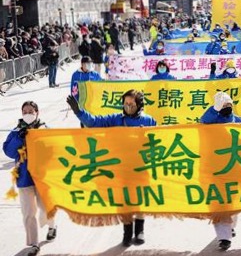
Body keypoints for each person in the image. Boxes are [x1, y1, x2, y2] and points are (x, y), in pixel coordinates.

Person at [66, 90, 156, 247]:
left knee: (140, 199)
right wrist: (78, 111)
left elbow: (159, 141)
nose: (128, 107)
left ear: (139, 105)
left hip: (141, 166)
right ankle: (127, 232)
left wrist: (148, 136)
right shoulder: (115, 119)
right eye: (126, 104)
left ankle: (139, 230)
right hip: (121, 167)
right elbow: (93, 122)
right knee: (124, 200)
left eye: (132, 104)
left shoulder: (149, 121)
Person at [3, 101, 57, 256]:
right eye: (25, 111)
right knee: (28, 212)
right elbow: (8, 151)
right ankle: (34, 243)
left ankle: (52, 226)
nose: (28, 114)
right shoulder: (16, 132)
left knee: (46, 207)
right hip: (24, 178)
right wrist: (20, 138)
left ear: (37, 112)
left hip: (42, 177)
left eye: (31, 111)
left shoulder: (44, 129)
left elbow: (54, 148)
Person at [200, 92, 241, 250]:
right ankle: (224, 237)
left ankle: (230, 226)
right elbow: (203, 121)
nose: (227, 108)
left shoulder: (238, 120)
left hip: (233, 166)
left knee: (233, 202)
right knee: (218, 202)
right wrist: (215, 109)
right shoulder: (211, 120)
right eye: (223, 105)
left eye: (229, 105)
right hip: (214, 167)